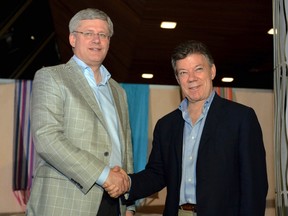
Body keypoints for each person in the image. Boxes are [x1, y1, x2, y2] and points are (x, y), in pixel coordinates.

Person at [105, 40, 268, 216]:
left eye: (198, 69)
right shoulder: (166, 125)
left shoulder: (241, 118)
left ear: (212, 71)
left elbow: (254, 186)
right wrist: (127, 182)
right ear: (177, 78)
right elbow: (157, 174)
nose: (191, 78)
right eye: (184, 72)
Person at [26, 8, 134, 216]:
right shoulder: (51, 77)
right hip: (65, 202)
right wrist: (104, 175)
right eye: (88, 33)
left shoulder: (118, 91)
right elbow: (47, 139)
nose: (96, 40)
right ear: (73, 39)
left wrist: (129, 204)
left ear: (109, 42)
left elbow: (126, 149)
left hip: (114, 204)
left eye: (102, 35)